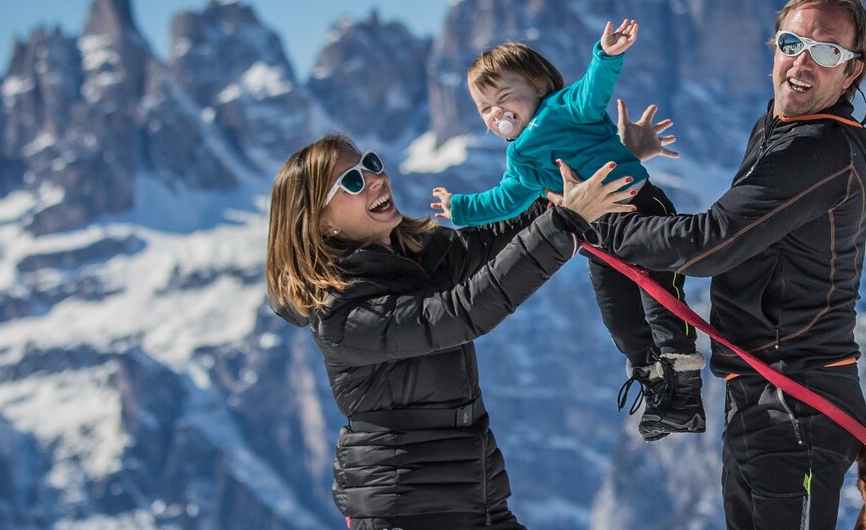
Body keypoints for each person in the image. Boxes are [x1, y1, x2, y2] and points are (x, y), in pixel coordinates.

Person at [585, 0, 866, 530]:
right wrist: (625, 171)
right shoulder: (778, 130)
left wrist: (595, 220)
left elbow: (708, 242)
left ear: (851, 73)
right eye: (791, 43)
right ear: (774, 49)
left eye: (826, 51)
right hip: (759, 392)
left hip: (798, 398)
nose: (802, 61)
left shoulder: (819, 149)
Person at [264, 132, 639, 530]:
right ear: (322, 222)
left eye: (371, 163)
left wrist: (602, 167)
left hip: (480, 500)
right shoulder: (343, 315)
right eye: (353, 181)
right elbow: (460, 314)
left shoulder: (419, 259)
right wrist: (565, 224)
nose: (375, 178)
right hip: (405, 512)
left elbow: (500, 234)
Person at [430, 19, 706, 441]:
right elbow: (506, 200)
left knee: (659, 300)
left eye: (504, 98)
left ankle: (685, 393)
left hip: (640, 211)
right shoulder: (520, 159)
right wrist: (460, 208)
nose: (496, 113)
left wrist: (606, 56)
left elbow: (593, 91)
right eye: (485, 109)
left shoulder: (562, 108)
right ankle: (655, 385)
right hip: (599, 239)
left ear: (537, 87)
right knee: (618, 316)